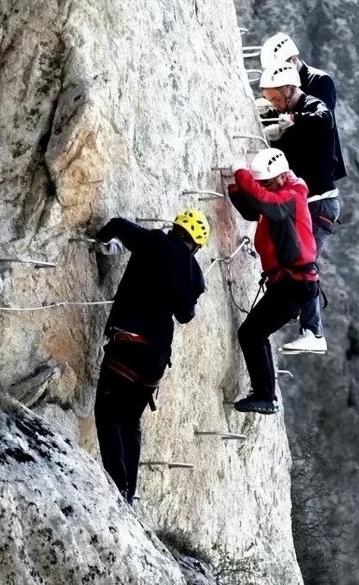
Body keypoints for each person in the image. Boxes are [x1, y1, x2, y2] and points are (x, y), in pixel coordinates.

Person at [93, 210, 208, 503]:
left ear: (175, 229)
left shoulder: (156, 241)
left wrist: (100, 241)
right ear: (196, 245)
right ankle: (129, 492)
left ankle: (117, 488)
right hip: (156, 358)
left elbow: (118, 225)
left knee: (108, 417)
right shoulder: (196, 276)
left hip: (129, 345)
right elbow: (186, 314)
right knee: (130, 422)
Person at [228, 148, 319, 414]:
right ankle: (266, 394)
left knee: (252, 334)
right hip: (290, 284)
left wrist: (241, 172)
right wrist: (236, 190)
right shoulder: (281, 199)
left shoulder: (290, 197)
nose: (264, 187)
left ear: (281, 176)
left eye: (267, 182)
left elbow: (265, 201)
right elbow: (254, 210)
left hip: (294, 284)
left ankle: (266, 395)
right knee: (255, 333)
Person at [259, 64, 338, 354]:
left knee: (304, 265)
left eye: (277, 99)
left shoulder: (312, 106)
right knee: (295, 264)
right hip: (312, 206)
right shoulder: (287, 110)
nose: (274, 104)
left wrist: (291, 120)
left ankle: (314, 331)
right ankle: (300, 315)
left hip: (321, 205)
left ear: (290, 90)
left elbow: (324, 117)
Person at [259, 32, 346, 182]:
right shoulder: (278, 84)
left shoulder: (320, 81)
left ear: (292, 61)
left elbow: (322, 121)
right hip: (292, 161)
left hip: (316, 162)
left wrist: (291, 118)